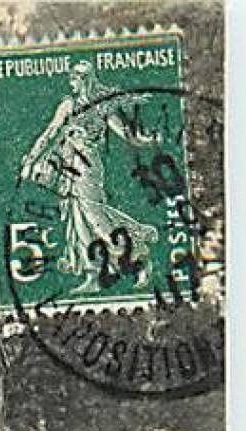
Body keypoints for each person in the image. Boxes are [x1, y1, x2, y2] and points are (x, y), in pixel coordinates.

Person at [20, 59, 160, 294]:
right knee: (79, 220)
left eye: (75, 78)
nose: (71, 83)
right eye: (71, 78)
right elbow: (49, 134)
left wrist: (147, 141)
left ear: (86, 81)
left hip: (88, 166)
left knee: (96, 217)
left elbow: (125, 133)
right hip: (69, 165)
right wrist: (31, 159)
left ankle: (139, 257)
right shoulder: (67, 105)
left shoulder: (100, 107)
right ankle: (93, 275)